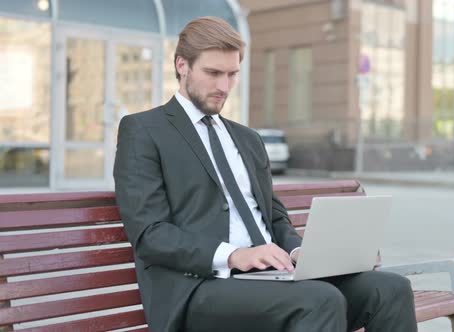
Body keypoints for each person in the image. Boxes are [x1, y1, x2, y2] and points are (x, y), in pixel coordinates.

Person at [113, 16, 417, 332]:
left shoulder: (247, 139)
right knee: (320, 299)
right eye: (213, 73)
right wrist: (234, 256)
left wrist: (299, 252)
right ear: (182, 65)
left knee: (390, 290)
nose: (223, 87)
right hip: (198, 288)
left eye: (232, 75)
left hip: (270, 278)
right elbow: (150, 235)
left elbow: (274, 218)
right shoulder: (144, 130)